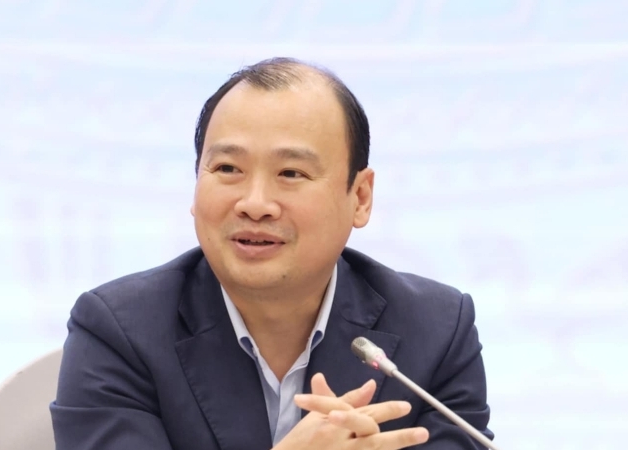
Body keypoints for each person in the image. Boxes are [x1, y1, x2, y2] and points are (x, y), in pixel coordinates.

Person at [50, 57, 494, 450]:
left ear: (359, 197)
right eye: (228, 168)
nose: (255, 203)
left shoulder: (436, 332)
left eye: (291, 173)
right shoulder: (119, 331)